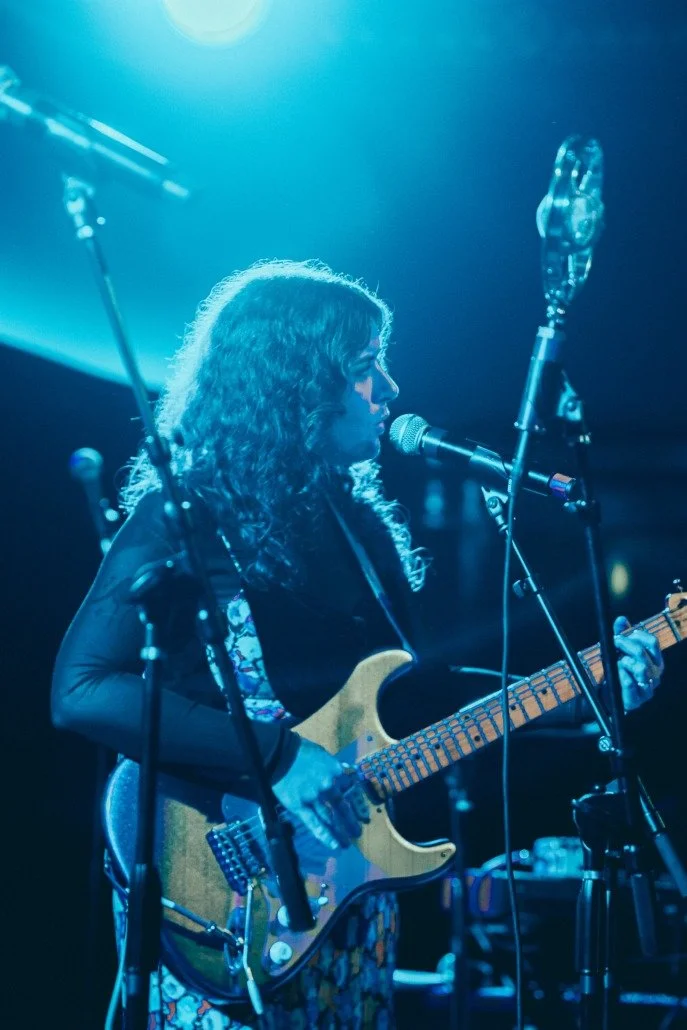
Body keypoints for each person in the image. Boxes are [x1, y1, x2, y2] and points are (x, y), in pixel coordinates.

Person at [51, 258, 665, 1030]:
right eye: (367, 364)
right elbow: (80, 689)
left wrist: (589, 688)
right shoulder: (184, 517)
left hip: (347, 889)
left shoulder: (361, 529)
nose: (391, 390)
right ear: (296, 382)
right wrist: (280, 758)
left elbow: (421, 705)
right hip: (218, 877)